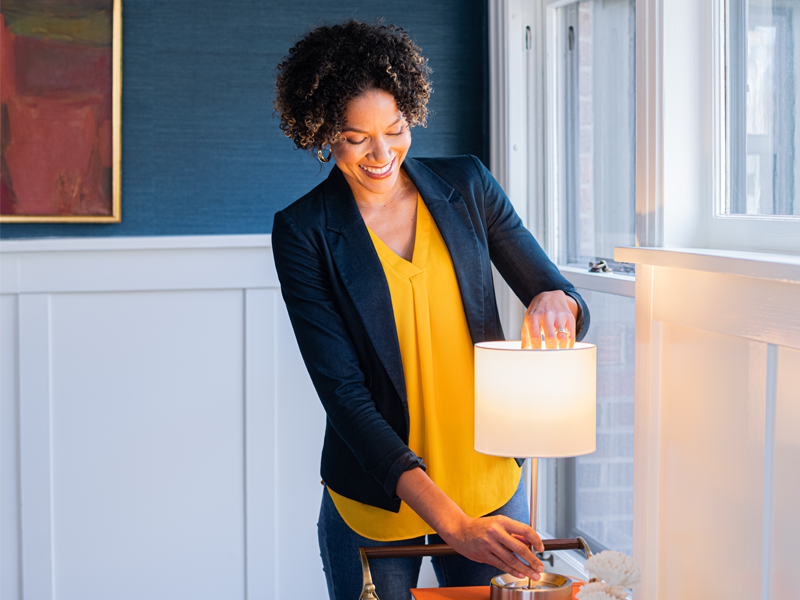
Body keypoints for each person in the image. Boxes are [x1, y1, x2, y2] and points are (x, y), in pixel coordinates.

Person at [272, 19, 590, 600]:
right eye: (354, 137)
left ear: (411, 113)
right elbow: (343, 395)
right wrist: (451, 523)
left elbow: (558, 291)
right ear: (322, 134)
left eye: (395, 129)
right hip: (377, 496)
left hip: (489, 483)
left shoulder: (467, 184)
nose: (381, 153)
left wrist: (555, 299)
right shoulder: (303, 231)